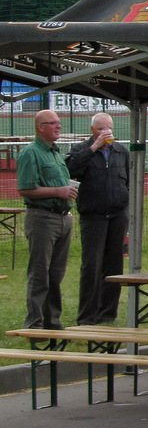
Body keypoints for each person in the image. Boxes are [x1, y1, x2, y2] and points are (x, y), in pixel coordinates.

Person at [66, 112, 131, 326]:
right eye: (102, 129)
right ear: (93, 130)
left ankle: (108, 313)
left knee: (114, 265)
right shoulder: (80, 150)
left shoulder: (121, 151)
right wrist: (93, 148)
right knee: (91, 265)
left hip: (117, 214)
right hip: (93, 216)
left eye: (109, 128)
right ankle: (87, 316)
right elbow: (71, 169)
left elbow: (127, 182)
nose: (107, 133)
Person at [16, 109, 77, 330]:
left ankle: (53, 321)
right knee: (40, 272)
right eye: (53, 123)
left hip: (62, 218)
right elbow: (25, 189)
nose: (58, 127)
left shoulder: (56, 153)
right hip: (42, 218)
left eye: (59, 123)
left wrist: (66, 197)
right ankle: (35, 322)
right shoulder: (30, 153)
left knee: (56, 274)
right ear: (41, 127)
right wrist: (58, 192)